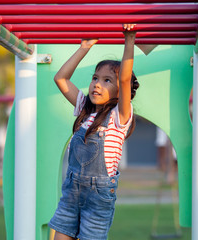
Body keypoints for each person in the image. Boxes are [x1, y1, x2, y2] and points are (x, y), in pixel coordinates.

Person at [48, 24, 139, 240]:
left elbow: (125, 79)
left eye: (107, 81)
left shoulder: (119, 116)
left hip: (98, 197)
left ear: (119, 91)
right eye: (95, 78)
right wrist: (84, 47)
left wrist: (129, 41)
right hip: (71, 193)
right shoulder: (83, 108)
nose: (97, 85)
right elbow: (60, 79)